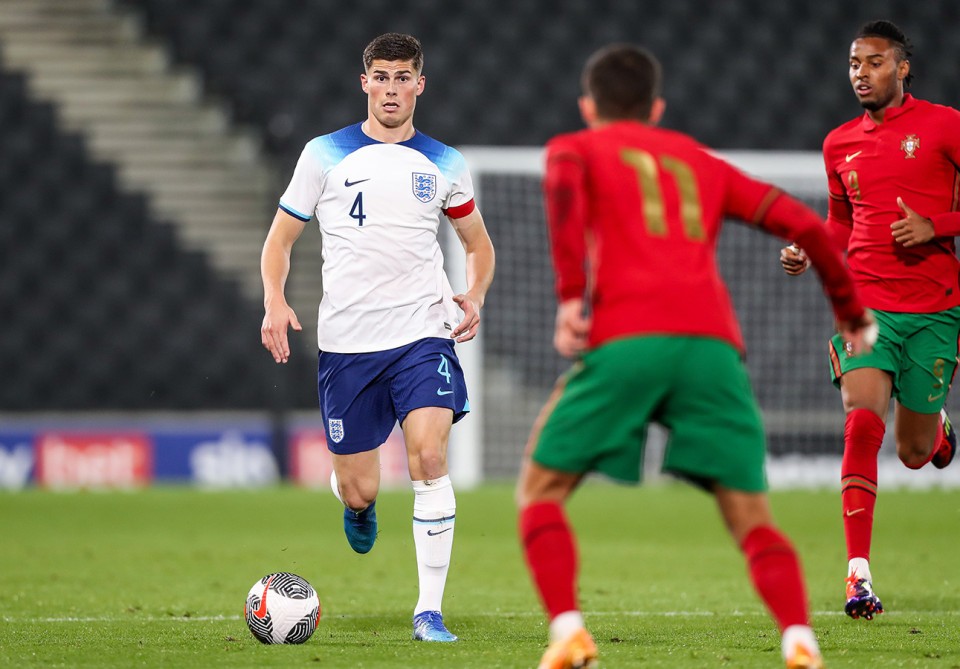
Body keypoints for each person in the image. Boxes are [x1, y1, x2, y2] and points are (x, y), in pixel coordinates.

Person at [516, 43, 876, 669]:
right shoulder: (698, 162)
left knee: (540, 491)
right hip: (711, 349)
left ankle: (570, 632)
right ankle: (800, 640)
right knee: (751, 519)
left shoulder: (575, 146)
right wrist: (849, 311)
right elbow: (811, 228)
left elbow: (564, 196)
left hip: (628, 339)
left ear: (587, 105)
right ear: (655, 108)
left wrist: (572, 297)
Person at [260, 32, 495, 642]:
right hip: (348, 345)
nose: (392, 88)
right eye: (381, 77)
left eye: (403, 77)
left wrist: (474, 294)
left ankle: (429, 612)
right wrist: (275, 300)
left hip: (423, 334)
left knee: (429, 458)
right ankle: (357, 506)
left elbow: (478, 246)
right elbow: (280, 241)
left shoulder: (444, 162)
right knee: (361, 486)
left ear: (421, 84)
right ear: (364, 82)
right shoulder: (324, 155)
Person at [780, 20, 960, 621]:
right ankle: (858, 575)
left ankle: (936, 432)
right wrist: (810, 247)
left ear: (902, 68)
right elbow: (839, 220)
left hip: (935, 306)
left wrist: (938, 225)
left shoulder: (945, 126)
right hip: (864, 302)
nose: (862, 73)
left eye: (875, 62)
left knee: (913, 453)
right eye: (855, 63)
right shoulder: (838, 143)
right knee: (861, 421)